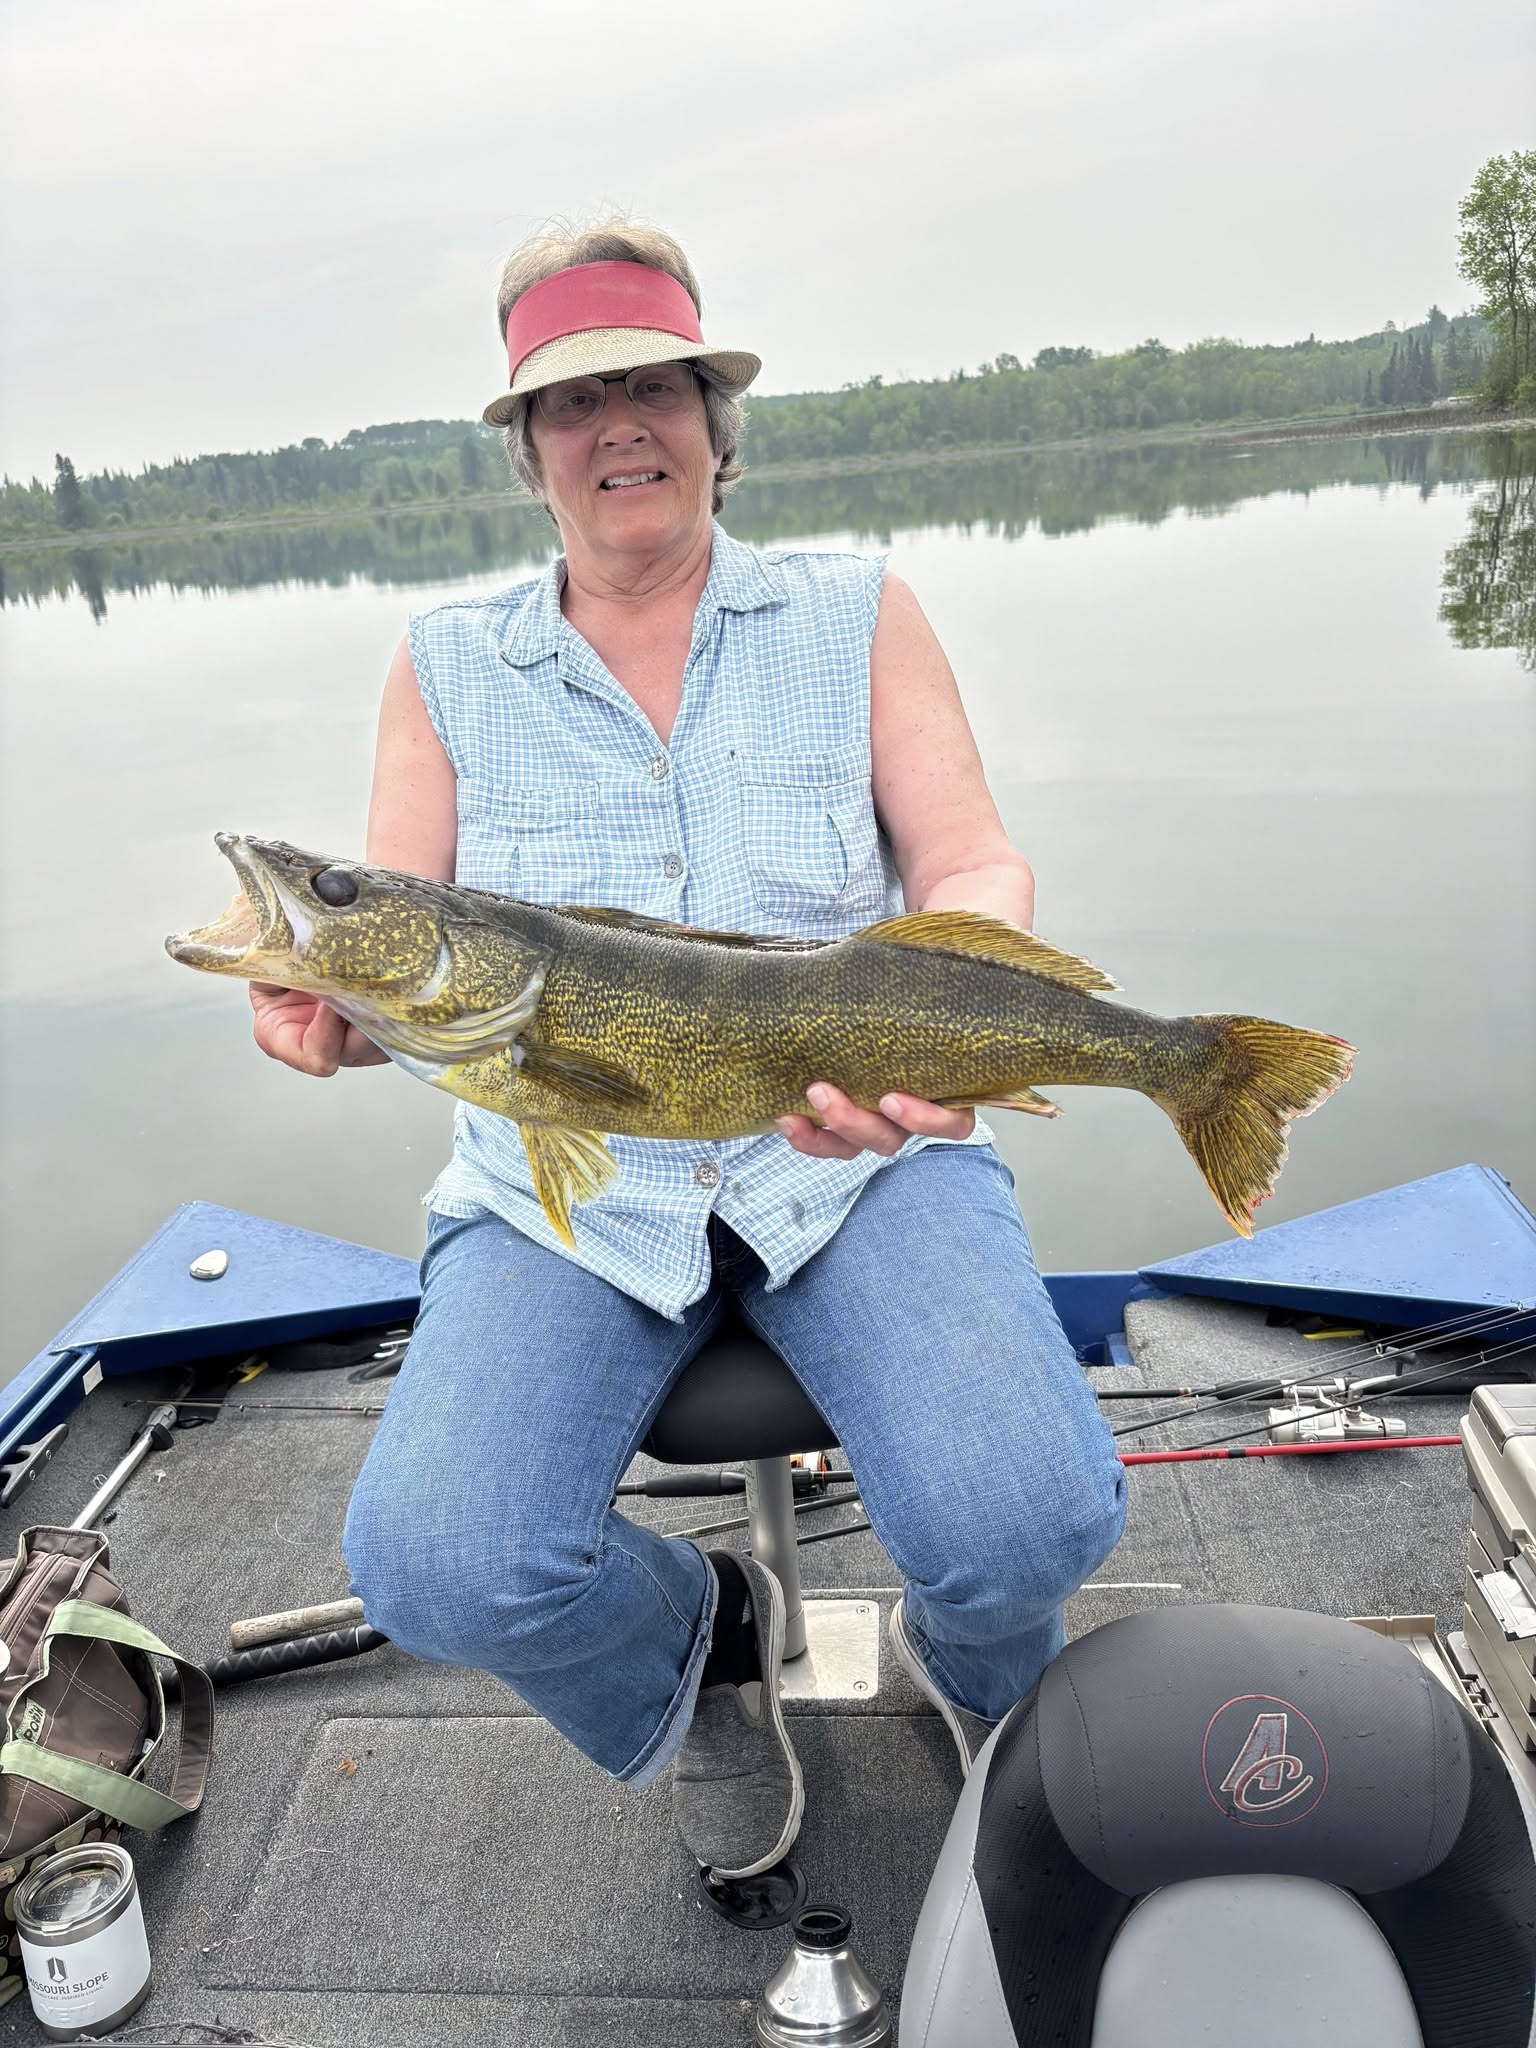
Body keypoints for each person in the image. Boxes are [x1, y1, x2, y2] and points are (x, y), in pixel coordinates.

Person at [250, 220, 1127, 1882]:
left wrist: (954, 1019)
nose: (619, 428)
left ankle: (996, 1699)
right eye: (572, 405)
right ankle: (705, 1622)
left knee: (1030, 1525)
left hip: (850, 1160)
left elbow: (968, 863)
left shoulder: (858, 609)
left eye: (655, 385)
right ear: (528, 453)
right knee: (439, 1566)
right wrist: (331, 1016)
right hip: (560, 1189)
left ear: (719, 424)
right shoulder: (444, 665)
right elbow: (412, 954)